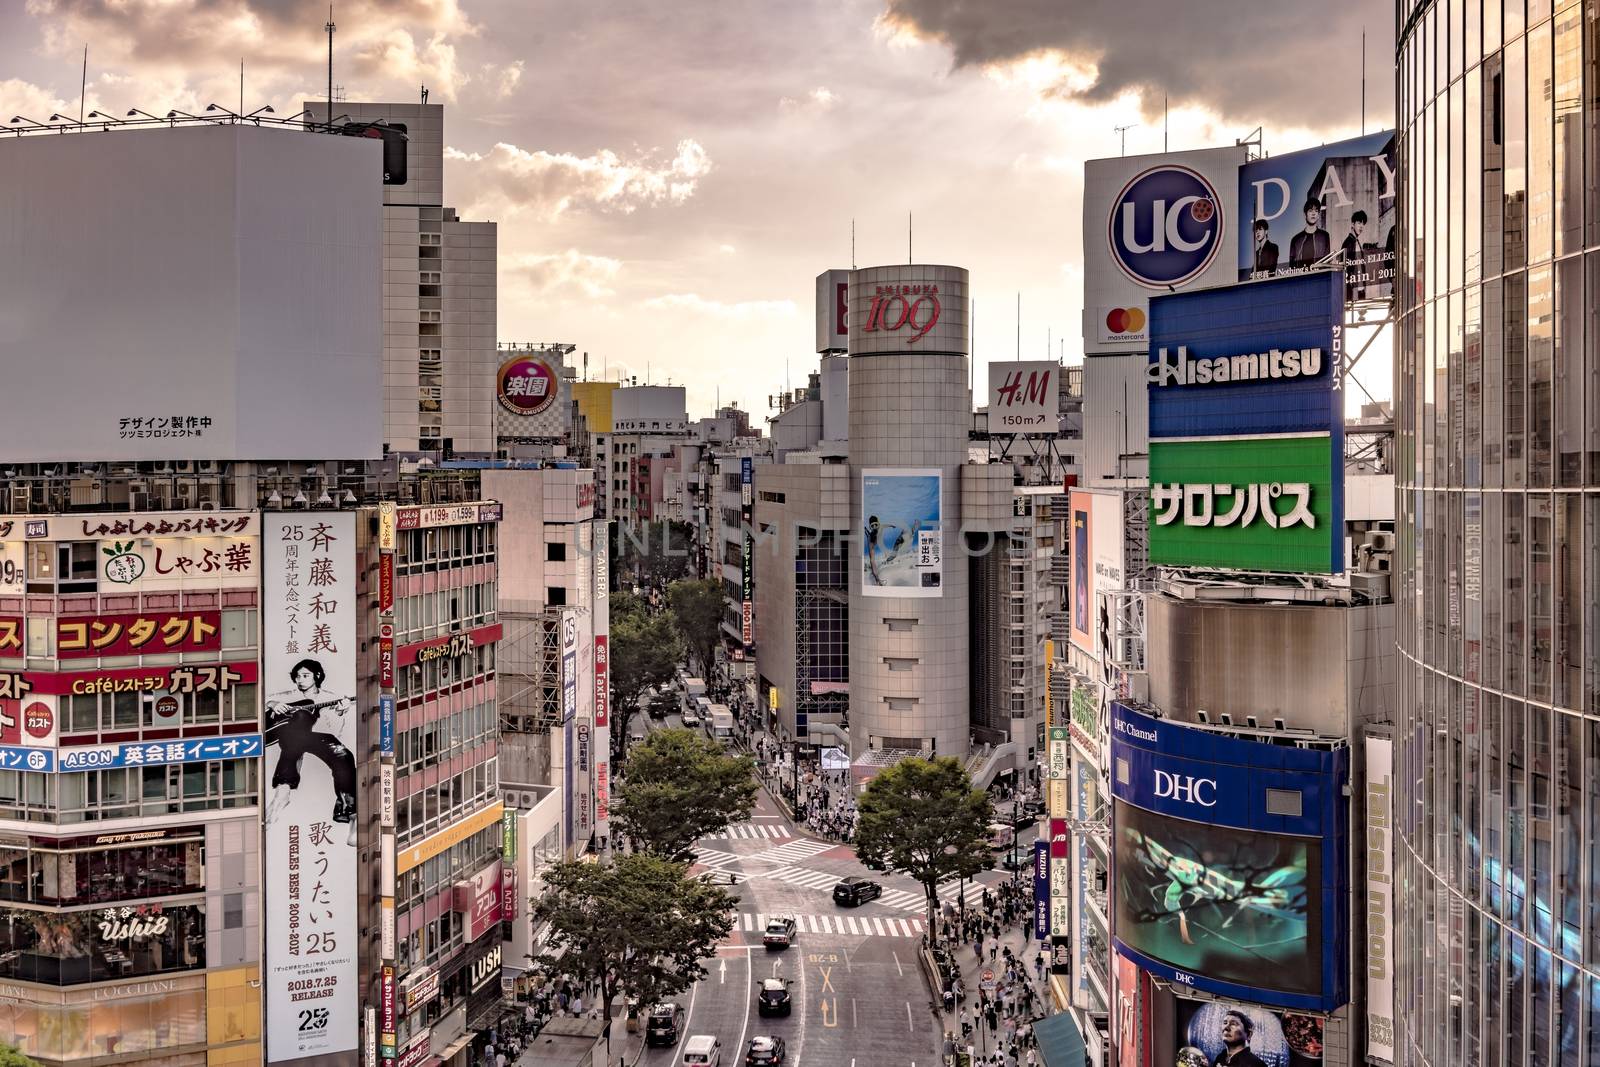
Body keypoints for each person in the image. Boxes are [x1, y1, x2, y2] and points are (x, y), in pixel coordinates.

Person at [264, 658, 358, 845]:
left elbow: (336, 728)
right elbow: (259, 698)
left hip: (310, 738)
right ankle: (353, 816)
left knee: (343, 754)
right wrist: (273, 704)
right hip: (283, 733)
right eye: (298, 676)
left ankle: (350, 813)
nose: (300, 680)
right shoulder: (287, 694)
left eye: (305, 675)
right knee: (300, 717)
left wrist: (341, 711)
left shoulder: (328, 697)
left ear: (316, 676)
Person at [1288, 197, 1331, 268]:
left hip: (1319, 277)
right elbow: (1291, 266)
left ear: (1318, 215)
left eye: (1316, 211)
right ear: (1305, 214)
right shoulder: (1296, 240)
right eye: (1310, 211)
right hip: (1301, 278)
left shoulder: (1324, 236)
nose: (1313, 213)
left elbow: (1327, 262)